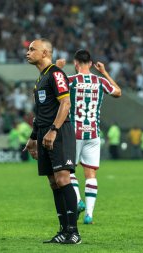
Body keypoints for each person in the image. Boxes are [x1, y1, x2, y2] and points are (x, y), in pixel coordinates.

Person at [24, 38, 81, 244]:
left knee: (63, 179)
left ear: (46, 52)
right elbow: (41, 113)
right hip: (44, 135)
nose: (28, 52)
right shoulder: (42, 78)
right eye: (28, 49)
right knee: (53, 183)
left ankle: (74, 232)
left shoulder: (56, 74)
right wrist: (33, 137)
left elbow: (65, 103)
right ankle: (63, 230)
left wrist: (54, 130)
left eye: (32, 49)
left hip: (58, 133)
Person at [56, 49, 122, 225]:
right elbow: (118, 92)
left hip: (74, 132)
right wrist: (105, 72)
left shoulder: (71, 80)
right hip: (93, 133)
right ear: (91, 64)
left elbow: (52, 87)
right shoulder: (100, 81)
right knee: (91, 173)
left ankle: (78, 201)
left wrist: (57, 68)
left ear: (76, 64)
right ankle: (89, 215)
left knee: (69, 170)